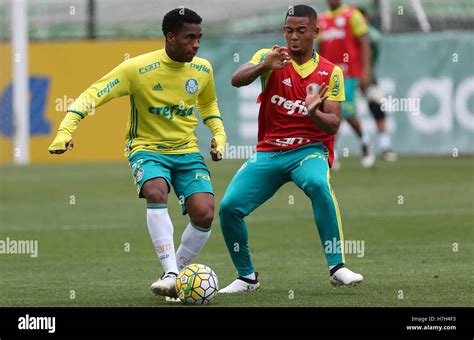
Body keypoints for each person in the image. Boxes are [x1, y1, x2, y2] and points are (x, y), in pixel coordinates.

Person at [48, 8, 227, 300]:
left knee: (205, 214)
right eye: (189, 37)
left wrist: (219, 136)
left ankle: (177, 276)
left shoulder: (203, 69)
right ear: (170, 37)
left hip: (186, 151)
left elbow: (209, 107)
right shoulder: (137, 69)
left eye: (199, 38)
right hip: (147, 149)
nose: (196, 44)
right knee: (156, 191)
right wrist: (65, 130)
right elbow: (92, 94)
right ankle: (170, 272)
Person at [219, 5, 363, 293]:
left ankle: (337, 267)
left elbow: (333, 124)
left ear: (315, 32)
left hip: (309, 151)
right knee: (228, 207)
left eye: (300, 31)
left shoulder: (330, 72)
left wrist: (313, 113)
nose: (293, 37)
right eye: (288, 31)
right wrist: (263, 67)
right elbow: (236, 79)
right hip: (269, 151)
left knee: (318, 183)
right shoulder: (270, 57)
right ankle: (247, 277)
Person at [318, 0, 375, 168]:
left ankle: (366, 143)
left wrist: (366, 70)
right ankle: (331, 153)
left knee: (348, 112)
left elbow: (364, 42)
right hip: (328, 74)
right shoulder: (321, 19)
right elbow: (320, 48)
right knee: (330, 113)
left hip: (348, 73)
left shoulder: (352, 15)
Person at [357, 7, 397, 161]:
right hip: (348, 77)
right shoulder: (348, 34)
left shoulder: (372, 35)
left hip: (368, 78)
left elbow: (371, 53)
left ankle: (385, 147)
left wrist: (365, 74)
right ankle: (331, 151)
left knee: (378, 110)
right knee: (340, 113)